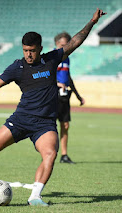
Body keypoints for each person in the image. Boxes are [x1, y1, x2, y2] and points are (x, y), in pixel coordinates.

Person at [0, 8, 106, 206]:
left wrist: (92, 22)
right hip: (22, 119)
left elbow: (75, 42)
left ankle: (35, 196)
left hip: (44, 124)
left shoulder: (51, 59)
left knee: (50, 154)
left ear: (40, 48)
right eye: (25, 50)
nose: (28, 54)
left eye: (32, 50)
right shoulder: (17, 68)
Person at [55, 32, 85, 164]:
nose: (65, 47)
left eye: (67, 44)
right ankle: (48, 153)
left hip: (65, 95)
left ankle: (64, 155)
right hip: (52, 94)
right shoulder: (51, 57)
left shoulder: (67, 59)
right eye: (62, 45)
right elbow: (43, 76)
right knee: (49, 125)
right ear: (57, 44)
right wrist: (57, 84)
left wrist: (78, 95)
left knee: (65, 125)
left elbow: (69, 78)